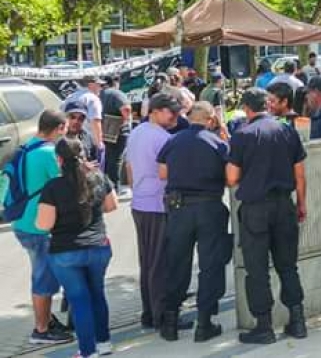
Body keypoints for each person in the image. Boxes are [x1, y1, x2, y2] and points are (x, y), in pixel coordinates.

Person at [226, 88, 308, 344]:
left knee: (257, 269)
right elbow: (300, 174)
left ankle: (264, 325)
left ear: (247, 109)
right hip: (284, 204)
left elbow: (231, 177)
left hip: (255, 209)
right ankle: (297, 320)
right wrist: (301, 204)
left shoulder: (242, 135)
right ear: (268, 105)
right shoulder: (287, 130)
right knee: (288, 265)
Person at [155, 102, 231, 342]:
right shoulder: (217, 143)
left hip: (179, 209)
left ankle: (170, 322)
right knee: (210, 265)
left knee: (177, 263)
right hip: (209, 206)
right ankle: (205, 322)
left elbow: (162, 173)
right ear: (210, 119)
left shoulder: (174, 140)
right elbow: (230, 177)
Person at [36, 137, 118, 358]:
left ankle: (87, 351)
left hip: (65, 252)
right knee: (97, 294)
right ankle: (104, 343)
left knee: (79, 300)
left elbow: (44, 225)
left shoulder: (53, 187)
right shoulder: (98, 177)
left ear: (59, 160)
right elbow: (112, 206)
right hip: (99, 247)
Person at [4, 110, 73, 345]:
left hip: (22, 221)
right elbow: (65, 184)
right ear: (59, 128)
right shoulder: (48, 154)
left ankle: (46, 320)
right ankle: (41, 330)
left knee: (41, 274)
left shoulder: (27, 147)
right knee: (43, 280)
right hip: (40, 227)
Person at [125, 93, 180, 330]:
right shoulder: (164, 138)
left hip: (140, 202)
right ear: (155, 111)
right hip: (158, 203)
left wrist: (134, 190)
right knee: (159, 262)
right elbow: (165, 173)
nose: (175, 116)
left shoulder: (136, 132)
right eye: (171, 112)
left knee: (147, 261)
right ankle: (161, 316)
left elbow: (129, 168)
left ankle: (149, 313)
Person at [100, 75, 132, 194]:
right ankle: (115, 188)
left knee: (107, 159)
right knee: (116, 160)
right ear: (116, 82)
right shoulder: (116, 93)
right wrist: (124, 121)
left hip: (103, 129)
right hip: (117, 130)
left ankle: (107, 187)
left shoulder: (100, 94)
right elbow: (126, 109)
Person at [62, 75, 105, 157]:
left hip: (68, 139)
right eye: (99, 85)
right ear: (91, 85)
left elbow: (62, 115)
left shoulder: (70, 96)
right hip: (85, 141)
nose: (100, 88)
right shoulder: (93, 98)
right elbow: (95, 121)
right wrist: (99, 144)